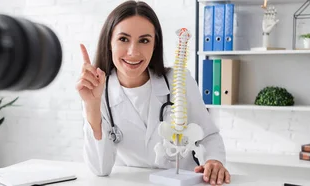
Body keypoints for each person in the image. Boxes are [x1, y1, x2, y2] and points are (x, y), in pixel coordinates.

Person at [76, 1, 230, 185]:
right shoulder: (98, 90)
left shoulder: (179, 80)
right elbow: (100, 170)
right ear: (109, 42)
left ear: (155, 45)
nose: (133, 52)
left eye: (144, 40)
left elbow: (209, 135)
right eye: (123, 39)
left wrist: (214, 160)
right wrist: (92, 106)